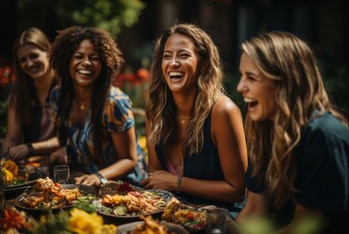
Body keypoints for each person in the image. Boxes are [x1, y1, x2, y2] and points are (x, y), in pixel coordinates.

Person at [235, 31, 349, 233]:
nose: (240, 87)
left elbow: (304, 228)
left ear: (286, 81)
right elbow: (254, 210)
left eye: (251, 77)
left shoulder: (323, 136)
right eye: (242, 75)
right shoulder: (262, 128)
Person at [140, 23, 248, 218]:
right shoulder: (155, 112)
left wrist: (177, 182)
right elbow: (155, 179)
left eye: (183, 55)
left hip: (218, 216)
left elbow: (238, 190)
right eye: (167, 56)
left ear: (203, 64)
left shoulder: (222, 111)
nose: (173, 63)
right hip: (170, 213)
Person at [49, 26, 147, 187]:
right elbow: (64, 139)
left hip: (122, 186)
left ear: (104, 64)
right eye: (78, 56)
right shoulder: (59, 96)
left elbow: (129, 160)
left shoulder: (114, 103)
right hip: (80, 180)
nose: (86, 63)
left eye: (94, 57)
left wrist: (98, 177)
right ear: (67, 61)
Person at [0, 27, 57, 164]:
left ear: (48, 52)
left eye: (34, 56)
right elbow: (12, 139)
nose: (29, 63)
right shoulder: (19, 93)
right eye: (23, 60)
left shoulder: (65, 87)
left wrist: (30, 148)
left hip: (66, 166)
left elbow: (71, 137)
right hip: (33, 167)